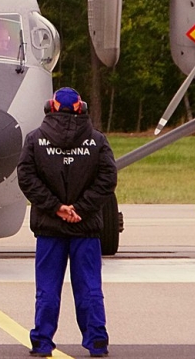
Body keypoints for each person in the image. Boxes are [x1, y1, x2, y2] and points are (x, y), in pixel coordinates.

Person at [17, 87, 117, 358]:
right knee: (90, 288)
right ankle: (97, 342)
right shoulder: (96, 141)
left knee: (47, 289)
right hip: (85, 228)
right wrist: (81, 209)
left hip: (50, 228)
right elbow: (108, 179)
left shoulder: (36, 140)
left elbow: (26, 178)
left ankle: (42, 343)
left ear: (51, 106)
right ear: (80, 108)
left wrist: (56, 208)